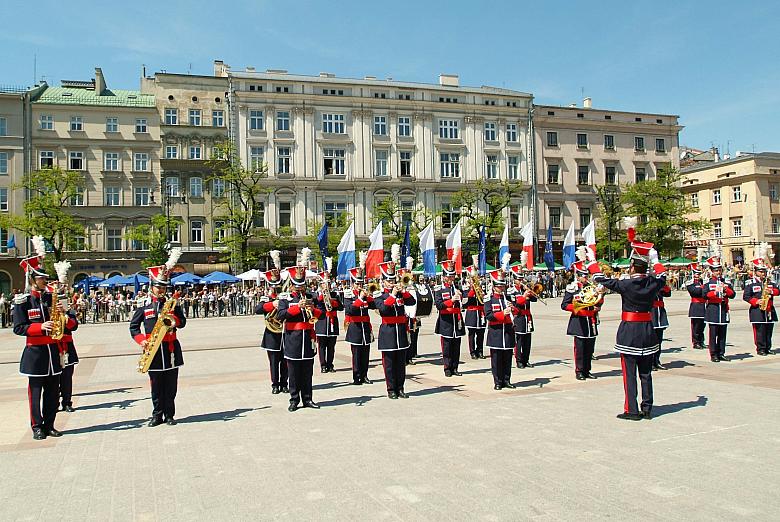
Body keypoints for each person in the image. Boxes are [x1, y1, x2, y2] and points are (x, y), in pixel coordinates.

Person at [588, 221, 667, 421]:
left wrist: (591, 260)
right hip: (648, 330)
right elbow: (662, 274)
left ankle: (632, 409)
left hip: (629, 331)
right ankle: (647, 408)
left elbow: (599, 278)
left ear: (632, 266)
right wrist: (654, 257)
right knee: (646, 373)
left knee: (629, 374)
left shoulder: (626, 284)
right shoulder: (653, 283)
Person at [13, 247, 69, 440]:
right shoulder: (23, 301)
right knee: (35, 394)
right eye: (42, 279)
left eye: (45, 278)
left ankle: (50, 424)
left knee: (53, 393)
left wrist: (64, 314)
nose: (45, 281)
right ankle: (37, 426)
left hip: (53, 353)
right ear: (32, 280)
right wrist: (39, 327)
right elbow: (19, 328)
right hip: (35, 355)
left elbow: (70, 323)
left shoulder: (50, 298)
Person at [129, 251, 187, 427]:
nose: (161, 290)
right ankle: (157, 414)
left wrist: (173, 320)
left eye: (164, 287)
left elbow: (182, 322)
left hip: (170, 349)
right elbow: (133, 327)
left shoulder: (172, 304)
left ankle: (169, 414)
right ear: (151, 286)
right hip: (153, 350)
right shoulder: (143, 305)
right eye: (158, 287)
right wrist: (142, 341)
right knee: (155, 385)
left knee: (171, 385)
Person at [277, 259, 322, 412]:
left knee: (307, 372)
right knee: (294, 372)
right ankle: (294, 399)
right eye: (297, 285)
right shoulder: (285, 298)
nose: (300, 288)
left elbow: (320, 315)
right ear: (291, 285)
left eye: (302, 284)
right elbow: (280, 315)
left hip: (308, 337)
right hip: (293, 338)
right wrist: (297, 308)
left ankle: (308, 398)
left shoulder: (310, 296)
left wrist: (312, 308)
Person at [375, 260, 416, 399]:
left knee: (401, 363)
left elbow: (412, 302)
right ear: (383, 281)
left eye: (393, 279)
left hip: (401, 331)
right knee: (389, 364)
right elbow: (383, 309)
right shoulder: (380, 296)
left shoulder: (400, 294)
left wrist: (403, 291)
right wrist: (392, 295)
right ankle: (391, 389)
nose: (391, 282)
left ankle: (401, 387)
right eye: (389, 280)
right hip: (388, 332)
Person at [561, 251, 603, 381]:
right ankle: (579, 370)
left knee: (590, 348)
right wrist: (577, 308)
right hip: (579, 320)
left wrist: (599, 304)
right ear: (578, 276)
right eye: (583, 276)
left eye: (586, 275)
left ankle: (587, 370)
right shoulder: (572, 288)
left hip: (591, 320)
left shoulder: (591, 287)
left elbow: (599, 301)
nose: (586, 278)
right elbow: (564, 305)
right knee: (580, 348)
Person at [343, 261, 376, 385]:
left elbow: (373, 306)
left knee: (366, 352)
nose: (359, 285)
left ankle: (365, 375)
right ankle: (356, 376)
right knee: (356, 354)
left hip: (365, 327)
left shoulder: (365, 294)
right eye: (357, 283)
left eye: (361, 283)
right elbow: (350, 310)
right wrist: (360, 299)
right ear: (352, 283)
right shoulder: (348, 294)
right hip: (355, 327)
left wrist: (370, 296)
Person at [255, 268, 288, 394]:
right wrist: (271, 305)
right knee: (273, 362)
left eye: (277, 284)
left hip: (285, 332)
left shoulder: (286, 296)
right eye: (273, 285)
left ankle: (284, 383)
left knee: (285, 360)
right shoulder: (266, 298)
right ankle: (275, 384)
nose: (275, 287)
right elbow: (257, 309)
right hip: (271, 334)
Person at [483, 269, 517, 390]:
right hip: (496, 332)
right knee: (496, 359)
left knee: (508, 358)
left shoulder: (508, 298)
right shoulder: (489, 299)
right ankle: (497, 381)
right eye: (499, 286)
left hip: (508, 331)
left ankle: (507, 380)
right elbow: (489, 315)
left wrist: (513, 309)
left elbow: (517, 312)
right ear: (493, 286)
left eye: (502, 286)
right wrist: (502, 313)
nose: (501, 289)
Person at [699, 257, 736, 362]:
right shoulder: (708, 283)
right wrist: (715, 292)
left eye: (719, 270)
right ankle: (713, 354)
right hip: (713, 310)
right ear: (711, 271)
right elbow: (704, 295)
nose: (718, 272)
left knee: (722, 334)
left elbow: (733, 294)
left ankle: (721, 353)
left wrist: (726, 289)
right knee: (713, 334)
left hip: (723, 310)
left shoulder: (726, 282)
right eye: (716, 270)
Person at [743, 248, 779, 356]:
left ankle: (768, 347)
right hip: (757, 310)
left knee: (768, 329)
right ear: (756, 271)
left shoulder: (769, 282)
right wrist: (756, 301)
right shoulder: (750, 283)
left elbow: (778, 291)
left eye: (764, 271)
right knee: (759, 331)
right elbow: (746, 296)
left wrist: (771, 291)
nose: (763, 273)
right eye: (760, 271)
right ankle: (760, 348)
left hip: (769, 309)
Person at [434, 259, 466, 377]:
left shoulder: (457, 287)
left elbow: (466, 303)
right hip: (446, 321)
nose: (451, 279)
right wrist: (451, 300)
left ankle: (455, 367)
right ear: (444, 277)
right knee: (447, 346)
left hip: (457, 319)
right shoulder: (439, 289)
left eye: (452, 276)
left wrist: (462, 296)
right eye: (449, 277)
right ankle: (447, 367)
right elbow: (439, 305)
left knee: (456, 345)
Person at [315, 262, 343, 373]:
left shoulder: (335, 295)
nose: (327, 286)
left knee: (331, 346)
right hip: (322, 322)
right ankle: (323, 365)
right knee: (321, 346)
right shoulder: (316, 295)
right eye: (325, 284)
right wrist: (323, 296)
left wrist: (333, 302)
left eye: (328, 284)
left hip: (332, 322)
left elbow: (341, 307)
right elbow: (316, 304)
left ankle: (330, 364)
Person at [509, 264, 537, 369]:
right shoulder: (511, 290)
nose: (521, 280)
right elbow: (515, 304)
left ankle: (526, 359)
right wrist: (524, 296)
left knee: (527, 340)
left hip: (528, 317)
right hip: (519, 317)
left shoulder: (525, 288)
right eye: (519, 279)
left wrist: (532, 292)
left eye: (522, 278)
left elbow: (535, 299)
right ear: (514, 279)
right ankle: (519, 360)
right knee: (519, 340)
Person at [463, 261, 487, 360]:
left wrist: (482, 292)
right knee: (472, 334)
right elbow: (466, 300)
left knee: (481, 334)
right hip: (472, 313)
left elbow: (484, 300)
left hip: (481, 313)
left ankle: (480, 351)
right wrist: (473, 289)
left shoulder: (481, 288)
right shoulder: (466, 288)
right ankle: (472, 351)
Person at [650, 280, 672, 371]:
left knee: (659, 341)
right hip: (651, 315)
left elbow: (667, 293)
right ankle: (650, 363)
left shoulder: (659, 285)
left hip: (660, 315)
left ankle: (656, 361)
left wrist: (663, 283)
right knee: (651, 342)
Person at [686, 263, 707, 349]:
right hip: (696, 306)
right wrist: (703, 288)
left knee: (702, 325)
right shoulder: (690, 283)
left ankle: (701, 341)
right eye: (696, 273)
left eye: (699, 273)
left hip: (703, 305)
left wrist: (702, 288)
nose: (698, 275)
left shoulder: (702, 282)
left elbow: (705, 292)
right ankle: (695, 342)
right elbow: (695, 292)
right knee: (696, 326)